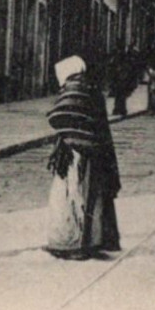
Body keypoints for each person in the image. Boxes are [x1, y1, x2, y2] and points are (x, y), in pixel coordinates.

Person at [45, 56, 122, 259]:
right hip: (95, 151)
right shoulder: (90, 89)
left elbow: (56, 116)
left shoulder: (74, 89)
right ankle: (91, 241)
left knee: (74, 197)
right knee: (91, 198)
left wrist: (69, 138)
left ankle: (74, 243)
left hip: (77, 154)